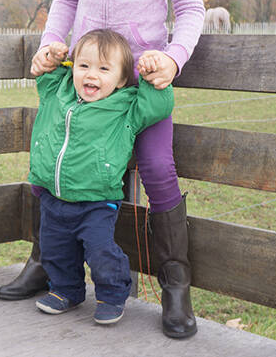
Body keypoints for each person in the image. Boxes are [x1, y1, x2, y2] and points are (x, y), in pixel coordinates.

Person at [0, 0, 204, 338]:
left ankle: (175, 284)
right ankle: (47, 262)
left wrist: (172, 59)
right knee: (57, 158)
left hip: (138, 82)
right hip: (83, 74)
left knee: (156, 165)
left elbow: (191, 7)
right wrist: (51, 45)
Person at [29, 30, 173, 325]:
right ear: (72, 69)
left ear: (121, 79)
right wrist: (53, 57)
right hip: (53, 197)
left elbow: (157, 106)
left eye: (103, 69)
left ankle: (112, 294)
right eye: (83, 66)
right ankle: (66, 290)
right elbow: (46, 76)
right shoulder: (59, 92)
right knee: (54, 249)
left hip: (96, 201)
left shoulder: (124, 108)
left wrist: (150, 75)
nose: (91, 75)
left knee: (100, 252)